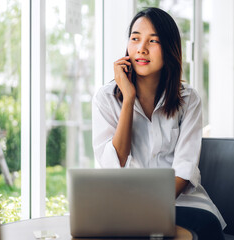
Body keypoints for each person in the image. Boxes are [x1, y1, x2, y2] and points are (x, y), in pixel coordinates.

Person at [92, 7, 226, 240]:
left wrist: (151, 208)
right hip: (127, 203)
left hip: (183, 203)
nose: (141, 48)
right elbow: (115, 164)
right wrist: (128, 99)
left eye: (152, 41)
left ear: (169, 49)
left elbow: (184, 169)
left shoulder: (189, 99)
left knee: (206, 229)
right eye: (135, 39)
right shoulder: (105, 97)